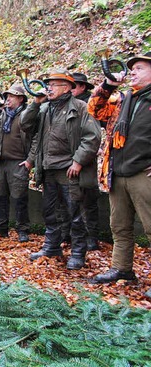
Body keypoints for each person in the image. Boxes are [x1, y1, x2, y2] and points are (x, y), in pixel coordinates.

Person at [21, 69, 101, 270]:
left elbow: (92, 137)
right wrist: (35, 103)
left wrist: (78, 161)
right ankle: (51, 246)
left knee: (75, 213)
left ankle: (77, 253)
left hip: (69, 169)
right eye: (48, 84)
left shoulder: (80, 107)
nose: (48, 88)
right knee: (50, 211)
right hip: (48, 168)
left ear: (66, 88)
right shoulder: (44, 108)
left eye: (53, 85)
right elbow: (25, 124)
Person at [88, 52, 151, 300]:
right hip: (118, 171)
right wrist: (108, 85)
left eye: (139, 69)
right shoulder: (122, 99)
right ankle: (122, 268)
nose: (133, 72)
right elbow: (94, 110)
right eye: (132, 69)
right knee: (120, 226)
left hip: (143, 173)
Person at [0, 84, 33, 242]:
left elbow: (35, 138)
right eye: (6, 96)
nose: (7, 99)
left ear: (20, 99)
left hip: (19, 161)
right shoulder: (2, 113)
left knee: (19, 197)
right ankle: (1, 227)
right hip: (0, 161)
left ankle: (22, 229)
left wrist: (30, 160)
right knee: (0, 196)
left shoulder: (27, 114)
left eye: (11, 96)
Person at [68, 72, 101, 251]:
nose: (71, 89)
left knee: (88, 198)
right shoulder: (66, 105)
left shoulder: (89, 106)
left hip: (85, 160)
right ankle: (74, 234)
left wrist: (80, 158)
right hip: (68, 160)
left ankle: (92, 237)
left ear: (82, 87)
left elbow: (92, 137)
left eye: (74, 86)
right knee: (71, 199)